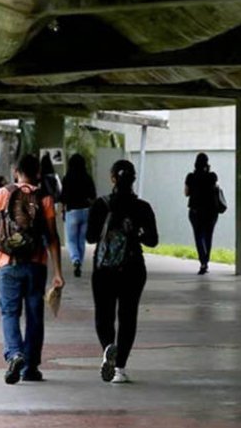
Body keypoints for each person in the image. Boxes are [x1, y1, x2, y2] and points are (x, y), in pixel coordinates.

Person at [0, 154, 64, 384]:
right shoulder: (44, 198)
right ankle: (31, 368)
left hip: (8, 264)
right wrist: (58, 273)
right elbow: (53, 238)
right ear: (37, 172)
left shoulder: (2, 193)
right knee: (35, 317)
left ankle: (15, 353)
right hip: (37, 265)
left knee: (10, 313)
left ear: (16, 171)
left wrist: (5, 228)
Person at [86, 160, 158, 384]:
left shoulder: (100, 205)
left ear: (112, 179)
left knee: (103, 315)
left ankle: (108, 347)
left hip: (104, 269)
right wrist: (135, 234)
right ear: (133, 179)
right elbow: (153, 240)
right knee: (128, 317)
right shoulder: (142, 207)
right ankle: (120, 369)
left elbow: (89, 237)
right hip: (133, 268)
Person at [60, 153, 96, 278]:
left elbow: (63, 197)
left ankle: (76, 260)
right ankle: (79, 262)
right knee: (81, 240)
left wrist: (62, 211)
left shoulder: (67, 178)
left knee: (71, 240)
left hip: (72, 211)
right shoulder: (87, 177)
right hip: (85, 211)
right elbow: (93, 195)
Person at [184, 153, 219, 275]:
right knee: (208, 236)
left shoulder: (191, 177)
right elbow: (215, 190)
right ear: (207, 163)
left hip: (196, 211)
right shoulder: (212, 176)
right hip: (211, 212)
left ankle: (203, 262)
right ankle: (206, 261)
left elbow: (186, 193)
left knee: (198, 237)